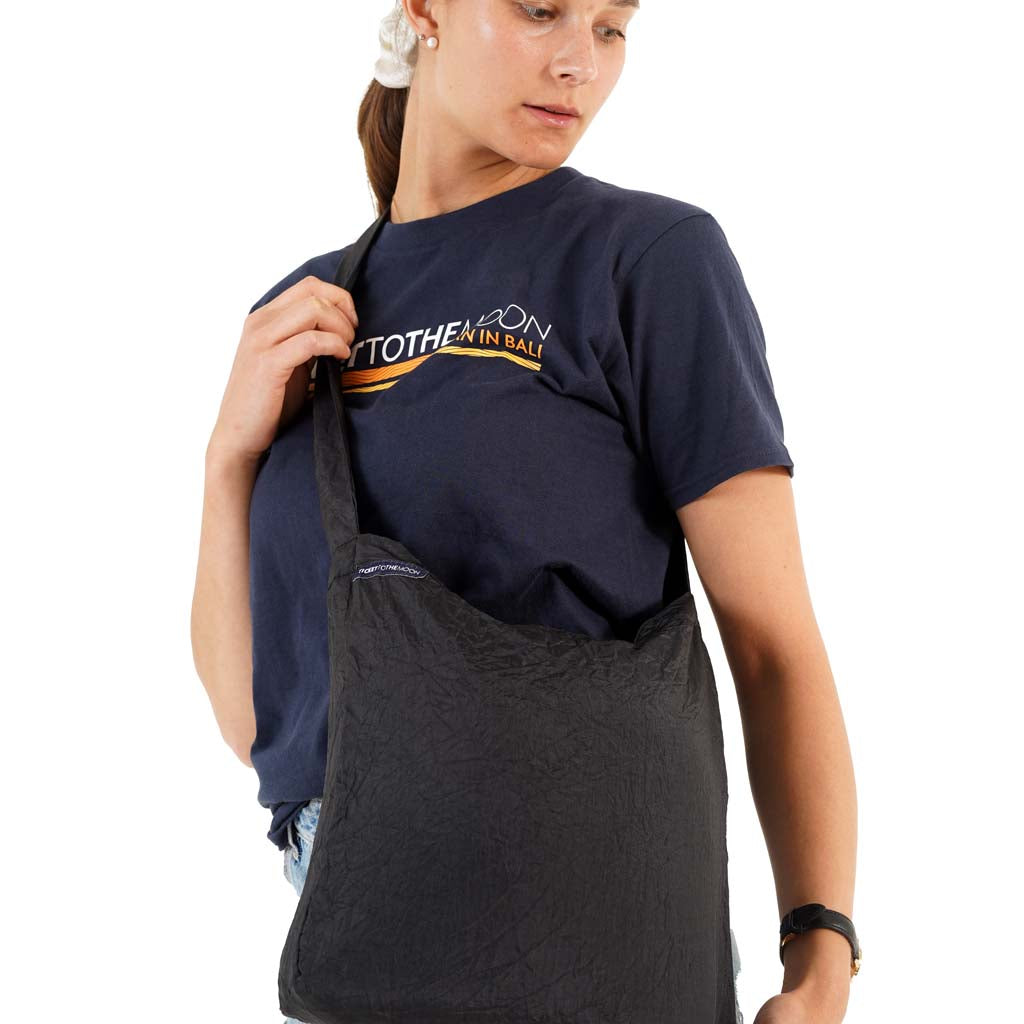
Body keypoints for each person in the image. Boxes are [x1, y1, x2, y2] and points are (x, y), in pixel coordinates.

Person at [191, 3, 858, 1023]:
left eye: (611, 27)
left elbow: (772, 643)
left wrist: (820, 950)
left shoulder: (648, 257)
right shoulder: (305, 310)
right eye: (541, 10)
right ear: (425, 11)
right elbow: (262, 728)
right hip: (360, 929)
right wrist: (227, 459)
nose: (579, 62)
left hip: (590, 917)